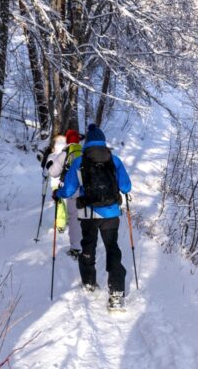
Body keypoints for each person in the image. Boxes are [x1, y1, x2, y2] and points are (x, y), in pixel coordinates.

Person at [53, 124, 131, 309]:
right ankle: (117, 293)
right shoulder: (115, 160)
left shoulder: (79, 161)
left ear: (87, 142)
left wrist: (58, 193)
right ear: (103, 141)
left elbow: (70, 189)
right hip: (111, 214)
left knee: (88, 246)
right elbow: (126, 187)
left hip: (88, 214)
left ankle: (89, 282)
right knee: (112, 248)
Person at [44, 129, 83, 258]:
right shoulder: (84, 152)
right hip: (87, 190)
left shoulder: (65, 153)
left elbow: (54, 172)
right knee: (84, 218)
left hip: (72, 190)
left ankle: (76, 248)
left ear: (68, 140)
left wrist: (49, 165)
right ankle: (87, 246)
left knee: (74, 218)